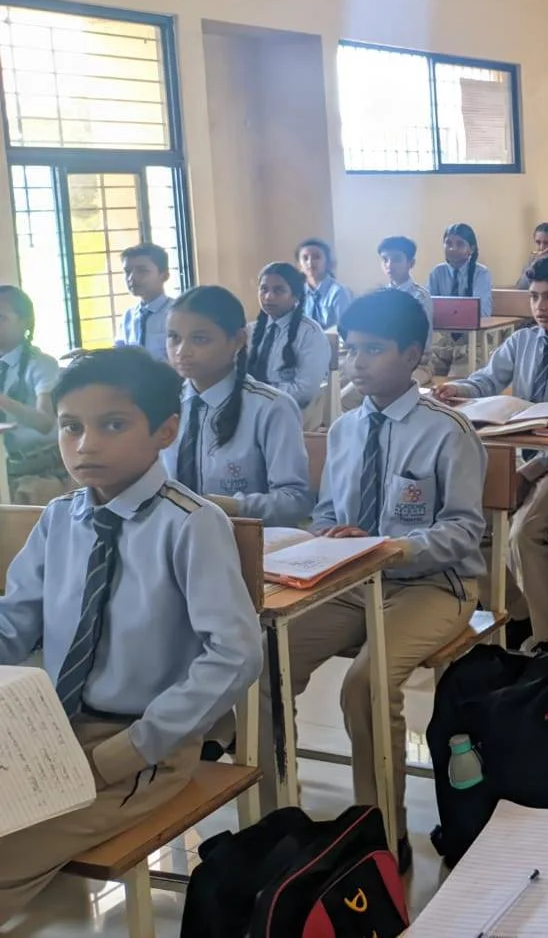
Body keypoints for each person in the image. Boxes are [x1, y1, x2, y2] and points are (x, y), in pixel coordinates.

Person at [0, 348, 260, 919]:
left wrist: (136, 745)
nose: (85, 445)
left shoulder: (191, 524)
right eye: (71, 427)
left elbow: (236, 654)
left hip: (144, 748)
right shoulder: (59, 518)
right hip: (49, 733)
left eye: (112, 425)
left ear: (165, 430)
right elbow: (13, 622)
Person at [256, 290, 485, 870]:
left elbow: (464, 530)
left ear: (411, 355)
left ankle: (382, 834)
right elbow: (327, 512)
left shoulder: (448, 431)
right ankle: (276, 819)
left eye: (372, 350)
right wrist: (328, 537)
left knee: (365, 684)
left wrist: (393, 548)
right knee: (263, 666)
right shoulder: (346, 429)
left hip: (434, 585)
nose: (356, 363)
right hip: (350, 583)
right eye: (350, 350)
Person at [436, 256, 548, 657]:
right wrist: (459, 389)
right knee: (470, 526)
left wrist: (529, 471)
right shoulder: (523, 340)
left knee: (525, 533)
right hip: (519, 452)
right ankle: (518, 613)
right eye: (535, 297)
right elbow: (489, 378)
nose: (541, 306)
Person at [163, 286, 313, 526]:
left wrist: (233, 506)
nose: (182, 351)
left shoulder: (271, 407)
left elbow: (295, 501)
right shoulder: (163, 405)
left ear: (238, 340)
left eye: (200, 339)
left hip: (248, 540)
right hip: (174, 538)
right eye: (174, 337)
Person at [0, 286, 67, 500]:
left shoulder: (41, 364)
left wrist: (3, 401)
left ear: (25, 322)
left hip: (38, 472)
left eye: (1, 318)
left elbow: (45, 422)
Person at [247, 262, 332, 410]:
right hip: (249, 407)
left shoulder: (310, 333)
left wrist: (259, 397)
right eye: (264, 289)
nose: (268, 297)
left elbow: (304, 390)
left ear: (296, 296)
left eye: (279, 290)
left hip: (287, 410)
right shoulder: (249, 331)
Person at [427, 223, 493, 377]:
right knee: (420, 374)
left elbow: (483, 312)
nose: (452, 248)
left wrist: (448, 313)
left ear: (471, 248)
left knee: (456, 381)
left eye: (460, 244)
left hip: (472, 343)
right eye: (448, 243)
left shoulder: (481, 273)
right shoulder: (437, 272)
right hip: (444, 344)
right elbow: (427, 307)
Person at [118, 243, 173, 362]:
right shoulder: (128, 316)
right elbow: (119, 355)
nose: (131, 278)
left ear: (164, 276)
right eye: (127, 271)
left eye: (142, 271)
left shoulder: (177, 313)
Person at [376, 235, 433, 328]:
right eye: (385, 260)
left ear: (411, 263)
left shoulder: (420, 297)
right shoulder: (379, 295)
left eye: (396, 259)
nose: (389, 265)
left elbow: (422, 332)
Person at [297, 237, 353, 329]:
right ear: (299, 265)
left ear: (328, 263)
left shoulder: (339, 292)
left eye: (316, 257)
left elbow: (345, 328)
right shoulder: (297, 293)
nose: (310, 262)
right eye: (305, 258)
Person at [514, 222, 548, 289]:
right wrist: (534, 266)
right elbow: (521, 287)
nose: (541, 247)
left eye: (546, 243)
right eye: (538, 242)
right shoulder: (532, 262)